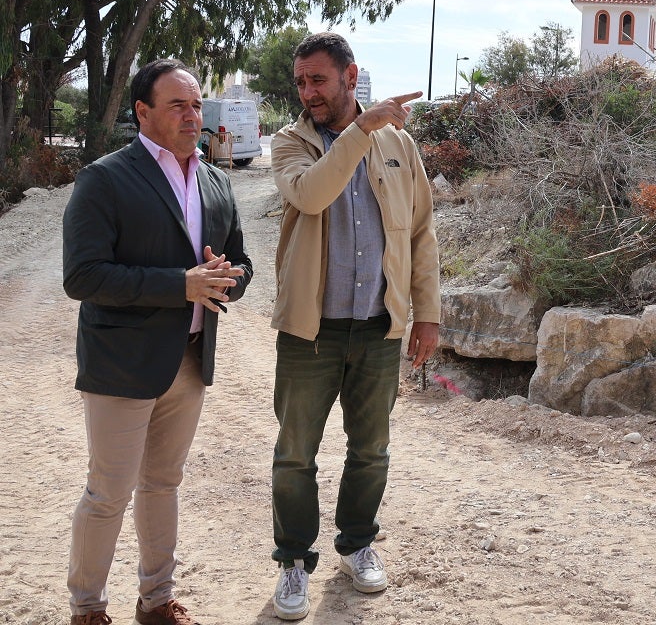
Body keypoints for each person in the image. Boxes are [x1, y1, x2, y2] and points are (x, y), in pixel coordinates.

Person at [63, 59, 253, 625]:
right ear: (143, 112)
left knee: (163, 483)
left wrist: (227, 277)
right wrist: (181, 284)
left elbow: (240, 261)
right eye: (177, 105)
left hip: (190, 361)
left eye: (196, 105)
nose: (192, 115)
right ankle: (87, 609)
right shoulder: (106, 178)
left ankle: (155, 601)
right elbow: (84, 276)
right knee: (107, 493)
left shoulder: (217, 181)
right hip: (122, 364)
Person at [269, 32, 440, 620]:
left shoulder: (398, 144)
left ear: (349, 76)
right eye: (300, 81)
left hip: (378, 329)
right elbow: (313, 196)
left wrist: (428, 315)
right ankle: (293, 558)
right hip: (308, 331)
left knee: (370, 450)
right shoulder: (289, 144)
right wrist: (360, 131)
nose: (308, 92)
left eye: (318, 79)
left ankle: (357, 545)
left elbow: (421, 234)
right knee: (295, 453)